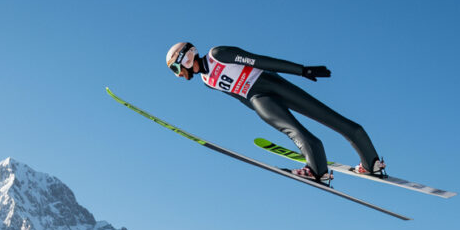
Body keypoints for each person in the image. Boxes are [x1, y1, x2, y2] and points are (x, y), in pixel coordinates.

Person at [165, 42, 385, 183]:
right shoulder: (207, 81)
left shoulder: (218, 54)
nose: (179, 74)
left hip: (269, 82)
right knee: (293, 129)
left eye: (176, 68)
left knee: (325, 114)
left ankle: (371, 163)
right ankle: (318, 168)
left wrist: (301, 70)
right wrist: (257, 108)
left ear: (185, 57)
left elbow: (260, 60)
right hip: (258, 99)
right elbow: (237, 95)